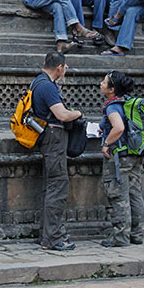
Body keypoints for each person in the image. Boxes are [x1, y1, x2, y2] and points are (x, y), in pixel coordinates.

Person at [30, 51, 84, 251]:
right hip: (54, 139)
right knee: (57, 187)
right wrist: (78, 113)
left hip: (47, 138)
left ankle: (47, 236)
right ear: (60, 67)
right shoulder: (47, 87)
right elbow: (61, 114)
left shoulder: (39, 82)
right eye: (65, 67)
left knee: (51, 187)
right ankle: (54, 238)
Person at [98, 70, 144, 247]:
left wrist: (106, 144)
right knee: (135, 194)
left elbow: (118, 127)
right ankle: (138, 233)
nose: (101, 85)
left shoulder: (112, 105)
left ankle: (120, 236)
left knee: (119, 195)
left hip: (120, 156)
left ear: (112, 89)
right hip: (135, 154)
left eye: (104, 82)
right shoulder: (128, 103)